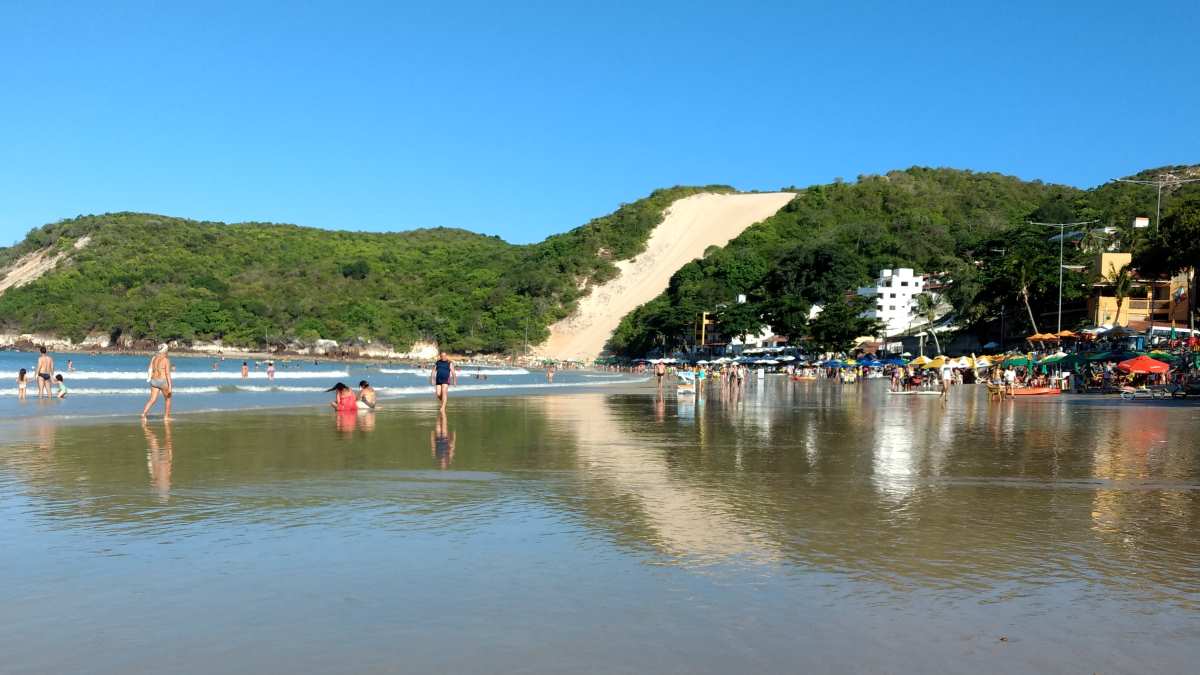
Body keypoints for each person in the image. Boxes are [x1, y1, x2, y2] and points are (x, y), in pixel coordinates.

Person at [141, 344, 173, 419]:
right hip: (163, 381)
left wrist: (149, 378)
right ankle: (166, 417)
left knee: (152, 399)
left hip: (154, 380)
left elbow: (150, 369)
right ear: (165, 350)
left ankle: (144, 414)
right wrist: (170, 387)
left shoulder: (154, 358)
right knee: (168, 399)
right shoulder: (166, 360)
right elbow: (167, 373)